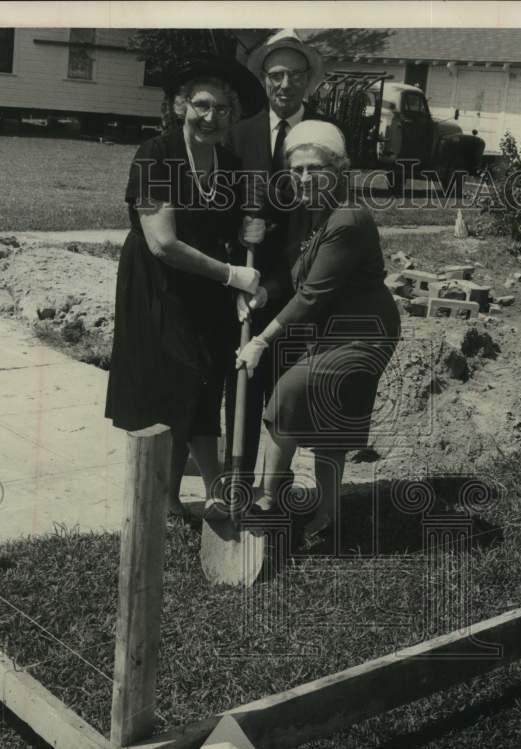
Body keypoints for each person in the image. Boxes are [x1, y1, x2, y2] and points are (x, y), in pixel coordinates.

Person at [104, 56, 265, 520]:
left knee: (201, 385)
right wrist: (232, 275)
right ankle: (172, 498)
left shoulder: (230, 164)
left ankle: (183, 498)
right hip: (157, 287)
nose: (210, 117)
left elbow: (233, 231)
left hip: (205, 289)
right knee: (168, 384)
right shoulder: (154, 155)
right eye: (201, 104)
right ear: (181, 106)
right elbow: (162, 243)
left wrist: (248, 240)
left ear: (232, 116)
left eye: (221, 109)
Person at [235, 121, 401, 541]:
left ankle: (268, 502)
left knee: (288, 393)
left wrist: (260, 340)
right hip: (333, 330)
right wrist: (263, 293)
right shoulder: (314, 216)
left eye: (314, 169)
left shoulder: (347, 219)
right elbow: (296, 280)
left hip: (364, 333)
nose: (304, 178)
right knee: (332, 426)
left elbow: (311, 297)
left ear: (338, 171)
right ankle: (327, 517)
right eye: (297, 170)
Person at [223, 28, 335, 492]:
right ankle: (237, 483)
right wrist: (238, 241)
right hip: (247, 288)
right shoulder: (239, 133)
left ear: (309, 80)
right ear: (264, 80)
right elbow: (222, 208)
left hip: (300, 289)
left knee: (285, 397)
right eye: (275, 75)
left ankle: (276, 490)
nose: (284, 84)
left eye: (294, 75)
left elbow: (333, 213)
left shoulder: (325, 136)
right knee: (242, 388)